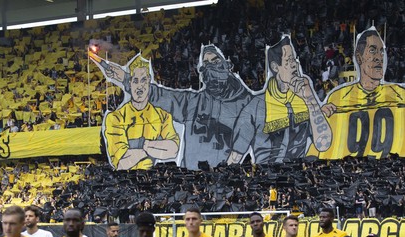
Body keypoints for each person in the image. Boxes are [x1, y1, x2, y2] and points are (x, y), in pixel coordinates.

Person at [92, 44, 253, 168]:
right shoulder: (194, 102)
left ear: (227, 65)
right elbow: (161, 96)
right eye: (206, 63)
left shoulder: (249, 103)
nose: (210, 66)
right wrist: (125, 78)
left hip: (226, 184)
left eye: (215, 61)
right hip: (194, 183)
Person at [228, 35, 332, 164]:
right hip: (266, 178)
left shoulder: (305, 99)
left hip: (298, 177)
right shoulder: (255, 107)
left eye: (294, 60)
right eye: (288, 61)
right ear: (275, 67)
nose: (294, 65)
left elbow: (324, 144)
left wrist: (310, 98)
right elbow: (235, 157)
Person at [319, 28, 405, 159]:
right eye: (372, 51)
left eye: (381, 52)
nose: (379, 58)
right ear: (359, 58)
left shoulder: (400, 94)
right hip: (350, 167)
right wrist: (320, 118)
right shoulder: (337, 97)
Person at [103, 54, 180, 170]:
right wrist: (153, 147)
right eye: (135, 81)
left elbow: (173, 149)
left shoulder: (163, 116)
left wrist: (141, 147)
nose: (140, 86)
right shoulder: (115, 118)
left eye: (143, 80)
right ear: (129, 83)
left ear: (149, 82)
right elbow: (121, 163)